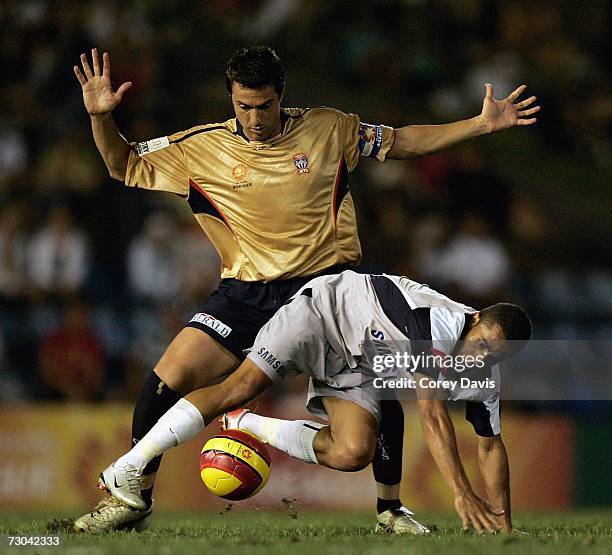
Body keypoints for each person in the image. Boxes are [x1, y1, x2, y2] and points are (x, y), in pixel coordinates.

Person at [72, 45, 539, 533]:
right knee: (166, 379)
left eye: (265, 106)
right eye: (243, 106)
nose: (254, 118)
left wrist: (480, 125)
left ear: (282, 97)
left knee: (378, 396)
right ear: (230, 98)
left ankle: (390, 509)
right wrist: (101, 119)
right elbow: (121, 164)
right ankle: (133, 499)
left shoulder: (328, 128)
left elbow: (402, 142)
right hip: (245, 294)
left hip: (325, 289)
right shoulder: (199, 148)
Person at [98, 270, 532, 533]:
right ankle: (130, 466)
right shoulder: (434, 324)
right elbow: (433, 415)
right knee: (239, 384)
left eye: (496, 356)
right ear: (474, 319)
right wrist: (461, 493)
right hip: (323, 312)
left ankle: (244, 424)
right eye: (482, 344)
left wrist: (501, 519)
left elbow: (490, 445)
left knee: (352, 452)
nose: (482, 358)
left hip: (358, 360)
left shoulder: (483, 376)